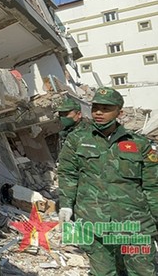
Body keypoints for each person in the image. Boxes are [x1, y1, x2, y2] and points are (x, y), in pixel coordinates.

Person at [58, 87, 158, 275]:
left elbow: (153, 186)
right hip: (94, 224)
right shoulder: (77, 140)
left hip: (135, 226)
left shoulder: (139, 144)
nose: (98, 112)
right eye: (95, 107)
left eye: (106, 108)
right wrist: (66, 205)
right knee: (103, 273)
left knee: (142, 271)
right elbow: (67, 173)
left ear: (119, 112)